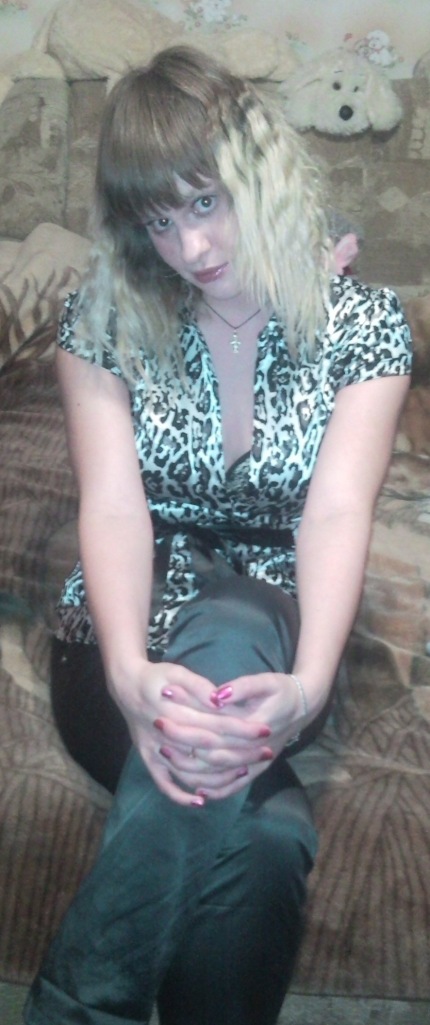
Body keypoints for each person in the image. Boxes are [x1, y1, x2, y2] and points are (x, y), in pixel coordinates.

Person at [25, 45, 412, 1025]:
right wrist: (127, 673)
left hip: (281, 652)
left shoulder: (364, 325)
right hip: (122, 637)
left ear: (260, 175)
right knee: (271, 838)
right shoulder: (104, 320)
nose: (191, 247)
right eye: (159, 220)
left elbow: (336, 510)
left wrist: (311, 685)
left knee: (242, 621)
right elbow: (114, 505)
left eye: (206, 202)